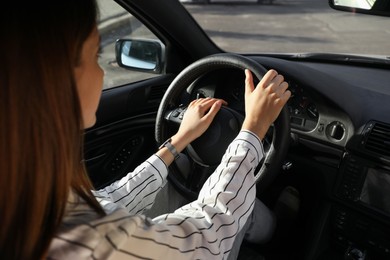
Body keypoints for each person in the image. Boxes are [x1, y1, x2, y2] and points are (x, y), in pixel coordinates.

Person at [0, 1, 290, 259]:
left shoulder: (31, 201)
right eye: (95, 55)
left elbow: (108, 200)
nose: (102, 72)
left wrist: (177, 141)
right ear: (57, 80)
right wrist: (253, 127)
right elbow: (207, 239)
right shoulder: (81, 235)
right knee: (242, 212)